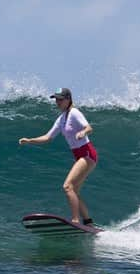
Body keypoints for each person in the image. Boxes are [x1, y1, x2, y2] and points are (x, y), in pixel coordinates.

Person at [19, 88, 98, 225]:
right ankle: (88, 222)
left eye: (60, 99)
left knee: (67, 186)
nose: (57, 102)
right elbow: (48, 137)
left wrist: (83, 133)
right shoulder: (62, 119)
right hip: (80, 155)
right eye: (56, 99)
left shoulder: (74, 113)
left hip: (87, 154)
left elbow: (89, 127)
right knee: (75, 192)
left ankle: (75, 220)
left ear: (68, 99)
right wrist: (30, 140)